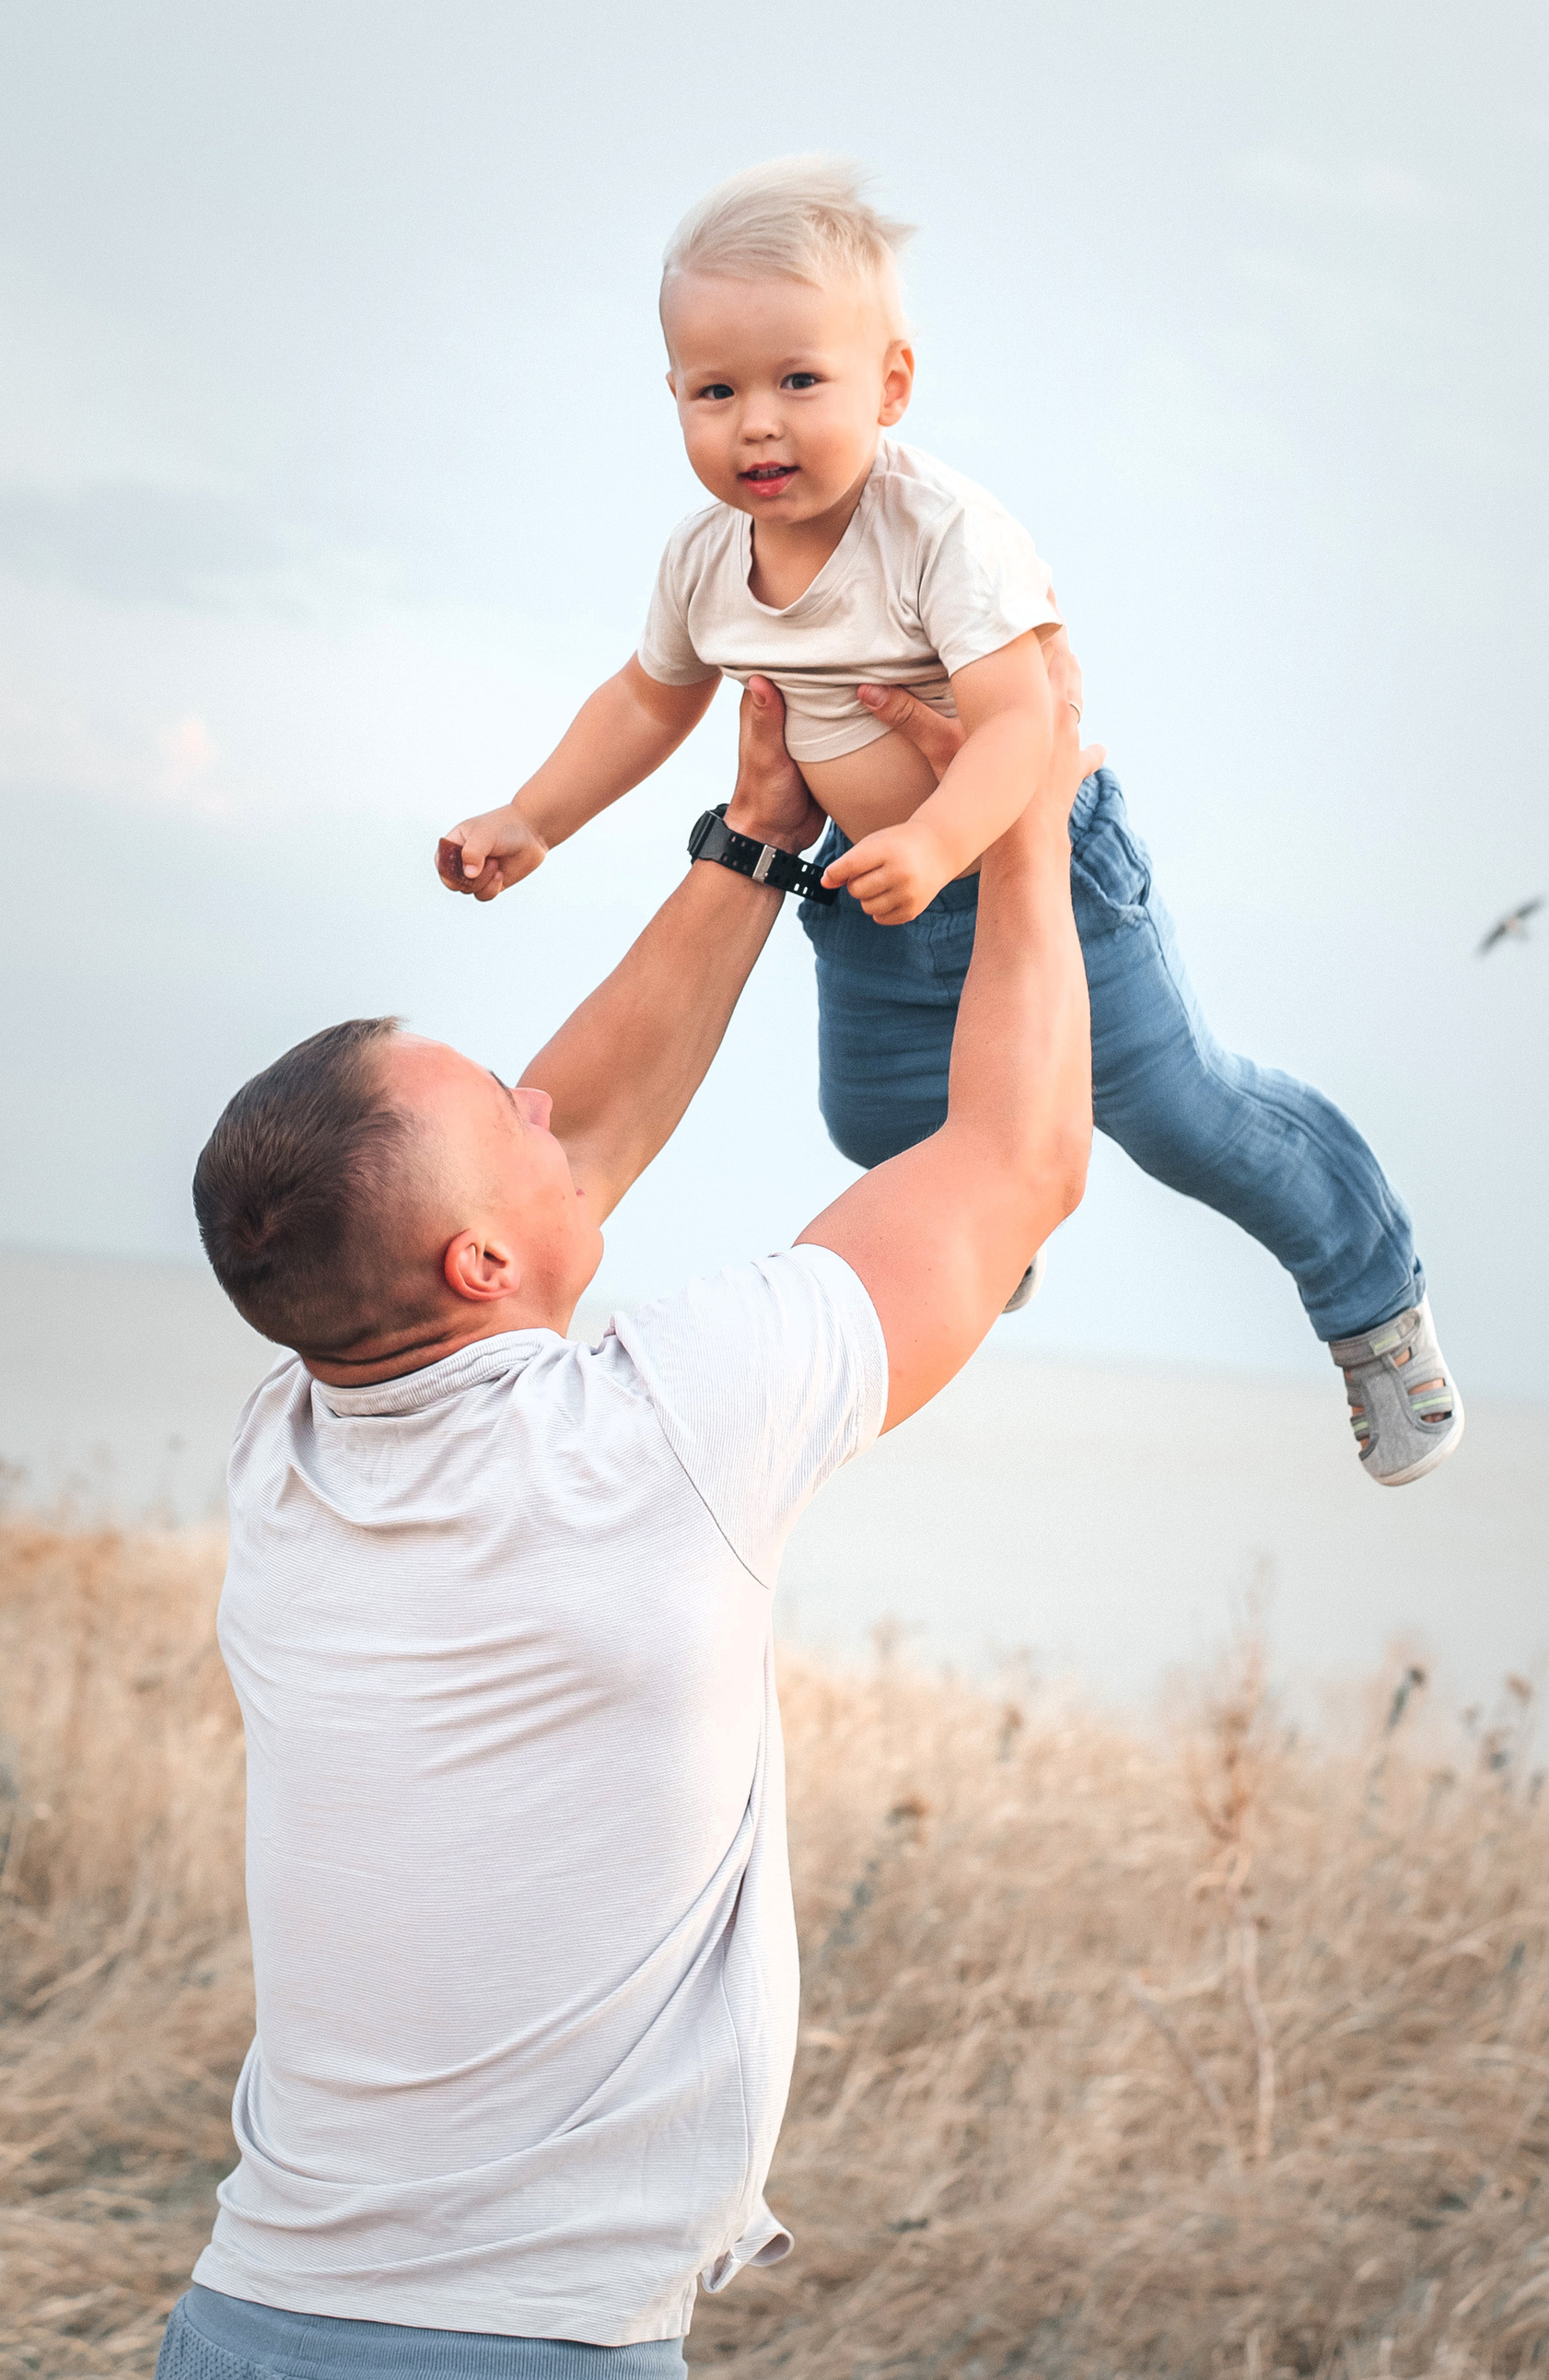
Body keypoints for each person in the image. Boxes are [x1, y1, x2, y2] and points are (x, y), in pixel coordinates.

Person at [123, 664, 1092, 2380]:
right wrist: (1033, 825)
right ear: (481, 1261)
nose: (548, 1091)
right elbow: (1008, 1174)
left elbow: (543, 1170)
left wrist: (747, 844)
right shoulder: (652, 1432)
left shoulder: (289, 1458)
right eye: (508, 1105)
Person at [438, 156, 1462, 1487]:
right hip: (873, 898)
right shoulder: (705, 561)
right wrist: (534, 816)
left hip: (1039, 870)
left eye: (801, 381)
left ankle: (1373, 1301)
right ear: (676, 399)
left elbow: (1024, 720)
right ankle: (999, 1224)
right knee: (872, 1125)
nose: (759, 422)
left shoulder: (939, 532)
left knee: (1178, 1109)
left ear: (891, 386)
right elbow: (645, 702)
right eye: (717, 390)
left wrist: (939, 838)